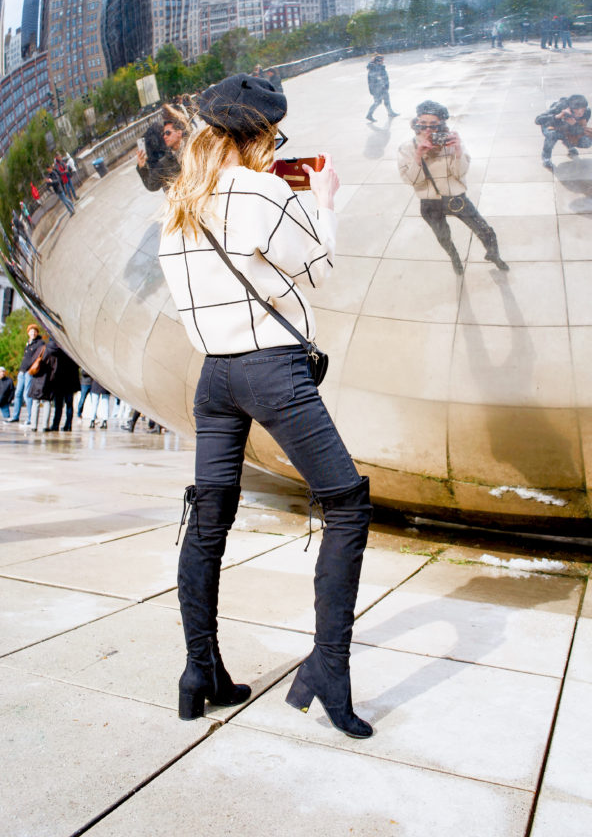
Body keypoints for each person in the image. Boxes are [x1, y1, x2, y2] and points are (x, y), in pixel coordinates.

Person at [159, 72, 373, 737]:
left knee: (208, 516)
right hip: (271, 371)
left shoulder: (178, 202)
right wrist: (326, 200)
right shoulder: (259, 188)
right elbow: (315, 262)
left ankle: (201, 672)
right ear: (259, 136)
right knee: (345, 503)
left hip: (213, 378)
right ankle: (325, 674)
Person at [398, 99, 509, 274]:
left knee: (485, 231)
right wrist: (419, 156)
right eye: (423, 124)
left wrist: (457, 151)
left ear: (442, 124)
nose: (428, 130)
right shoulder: (407, 148)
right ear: (417, 122)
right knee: (443, 237)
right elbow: (412, 181)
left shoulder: (450, 141)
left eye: (434, 125)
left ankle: (494, 255)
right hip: (430, 203)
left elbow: (460, 173)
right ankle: (454, 257)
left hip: (456, 198)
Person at [535, 94, 592, 170]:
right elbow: (538, 120)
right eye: (577, 110)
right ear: (570, 108)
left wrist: (574, 124)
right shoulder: (559, 107)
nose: (580, 113)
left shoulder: (587, 112)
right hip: (553, 125)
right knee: (552, 135)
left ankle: (570, 145)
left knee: (586, 142)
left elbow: (582, 130)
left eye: (582, 110)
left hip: (568, 128)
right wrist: (557, 116)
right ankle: (546, 157)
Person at [136, 107, 187, 193]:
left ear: (179, 133)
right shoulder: (164, 162)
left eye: (168, 133)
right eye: (163, 134)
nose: (165, 136)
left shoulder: (192, 147)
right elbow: (151, 186)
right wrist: (142, 167)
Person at [8, 323, 43, 423]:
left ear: (37, 333)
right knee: (18, 394)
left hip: (29, 372)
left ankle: (30, 418)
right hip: (22, 371)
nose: (33, 333)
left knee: (26, 395)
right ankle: (15, 416)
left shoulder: (39, 343)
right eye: (31, 331)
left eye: (35, 331)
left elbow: (37, 358)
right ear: (28, 332)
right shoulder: (28, 343)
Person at [366, 54, 398, 122]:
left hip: (383, 87)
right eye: (382, 60)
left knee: (387, 100)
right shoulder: (374, 68)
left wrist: (385, 85)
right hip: (378, 89)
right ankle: (369, 115)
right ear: (378, 61)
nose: (383, 61)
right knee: (378, 102)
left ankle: (390, 112)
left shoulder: (379, 67)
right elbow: (375, 80)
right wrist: (381, 86)